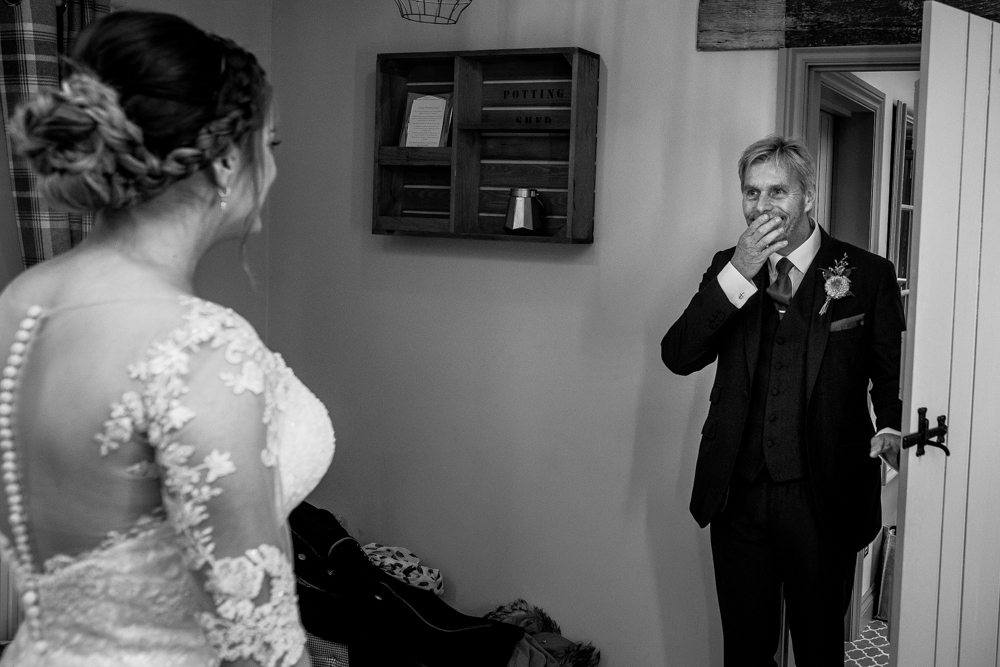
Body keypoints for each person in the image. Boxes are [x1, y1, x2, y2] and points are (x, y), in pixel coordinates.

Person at [0, 10, 334, 667]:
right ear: (226, 161)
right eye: (270, 147)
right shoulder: (199, 345)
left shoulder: (20, 301)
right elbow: (259, 642)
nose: (270, 168)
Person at [661, 135, 905, 666]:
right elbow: (678, 356)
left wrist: (889, 426)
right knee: (746, 651)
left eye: (777, 191)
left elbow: (891, 375)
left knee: (819, 649)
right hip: (739, 495)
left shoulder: (869, 274)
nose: (762, 206)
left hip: (824, 498)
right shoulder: (729, 265)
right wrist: (738, 274)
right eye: (751, 193)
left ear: (808, 196)